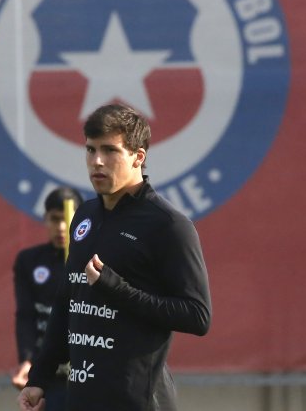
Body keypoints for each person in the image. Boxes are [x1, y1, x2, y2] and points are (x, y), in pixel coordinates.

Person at [18, 104, 212, 411]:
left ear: (138, 157)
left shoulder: (168, 225)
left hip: (138, 401)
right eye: (90, 149)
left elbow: (197, 316)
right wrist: (39, 376)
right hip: (81, 399)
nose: (97, 161)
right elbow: (68, 301)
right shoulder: (84, 216)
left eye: (110, 151)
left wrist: (116, 289)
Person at [11, 186, 84, 410]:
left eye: (68, 219)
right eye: (54, 219)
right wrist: (27, 360)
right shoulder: (29, 261)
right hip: (49, 370)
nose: (61, 227)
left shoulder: (93, 260)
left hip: (88, 370)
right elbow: (26, 315)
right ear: (45, 219)